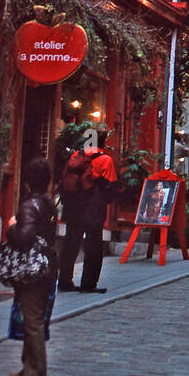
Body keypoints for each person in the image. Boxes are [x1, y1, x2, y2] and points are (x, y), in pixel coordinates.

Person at [6, 157, 58, 376]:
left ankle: (35, 372)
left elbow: (24, 236)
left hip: (32, 268)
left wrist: (11, 226)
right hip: (47, 265)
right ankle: (28, 367)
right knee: (34, 317)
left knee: (32, 320)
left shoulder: (29, 205)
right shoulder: (49, 202)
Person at [58, 125, 118, 293]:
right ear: (104, 140)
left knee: (71, 243)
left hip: (73, 206)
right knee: (93, 246)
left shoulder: (76, 155)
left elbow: (64, 179)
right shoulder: (105, 159)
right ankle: (88, 283)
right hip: (93, 207)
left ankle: (64, 281)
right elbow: (110, 187)